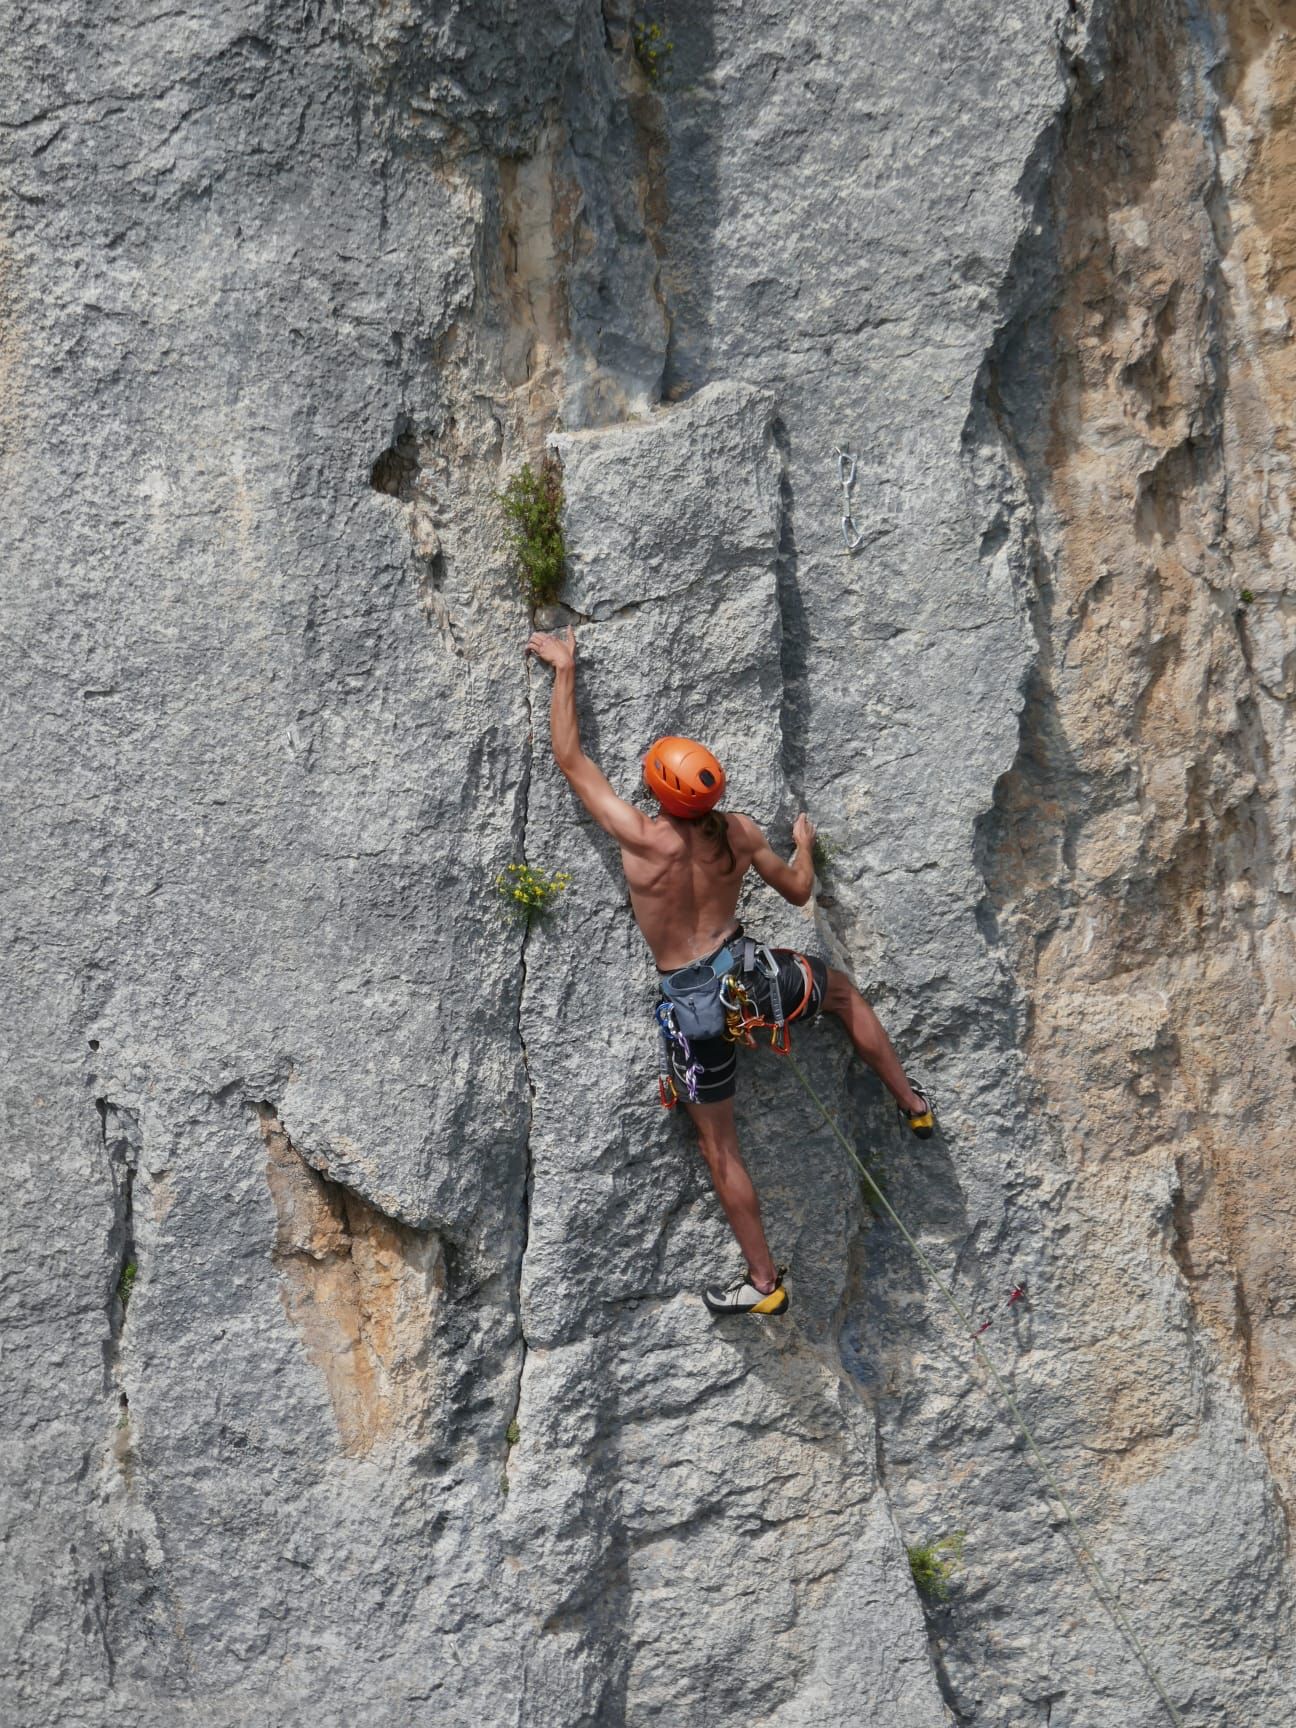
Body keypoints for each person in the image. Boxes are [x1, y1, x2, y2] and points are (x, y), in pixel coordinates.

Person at [526, 626, 933, 1318]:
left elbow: (570, 758)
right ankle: (913, 1106)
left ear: (658, 790)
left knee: (721, 1147)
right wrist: (803, 846)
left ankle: (764, 1280)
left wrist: (566, 669)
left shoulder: (640, 837)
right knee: (838, 994)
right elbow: (800, 891)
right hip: (754, 978)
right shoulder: (739, 831)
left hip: (696, 1009)